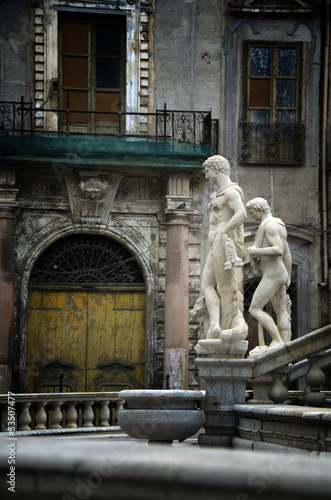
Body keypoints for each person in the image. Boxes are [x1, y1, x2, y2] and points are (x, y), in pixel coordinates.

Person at [201, 155, 247, 339]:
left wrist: (224, 231)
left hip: (223, 243)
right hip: (215, 246)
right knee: (206, 285)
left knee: (224, 286)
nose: (206, 176)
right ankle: (215, 325)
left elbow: (241, 213)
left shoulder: (231, 192)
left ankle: (235, 322)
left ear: (217, 169)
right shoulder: (216, 195)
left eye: (207, 171)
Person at [246, 197, 292, 349]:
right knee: (281, 311)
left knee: (254, 308)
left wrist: (256, 250)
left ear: (259, 209)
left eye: (252, 212)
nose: (251, 215)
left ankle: (277, 340)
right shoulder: (279, 224)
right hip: (280, 272)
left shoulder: (270, 226)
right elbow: (287, 254)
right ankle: (286, 344)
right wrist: (288, 275)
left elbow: (278, 250)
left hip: (273, 274)